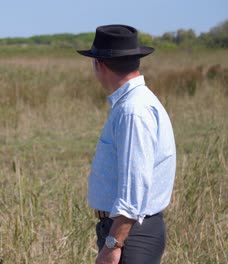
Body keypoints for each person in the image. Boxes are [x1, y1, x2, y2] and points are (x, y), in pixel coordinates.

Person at [77, 25, 176, 264]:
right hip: (129, 231)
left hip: (130, 233)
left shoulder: (133, 111)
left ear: (99, 64)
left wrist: (114, 243)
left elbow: (135, 186)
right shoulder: (133, 104)